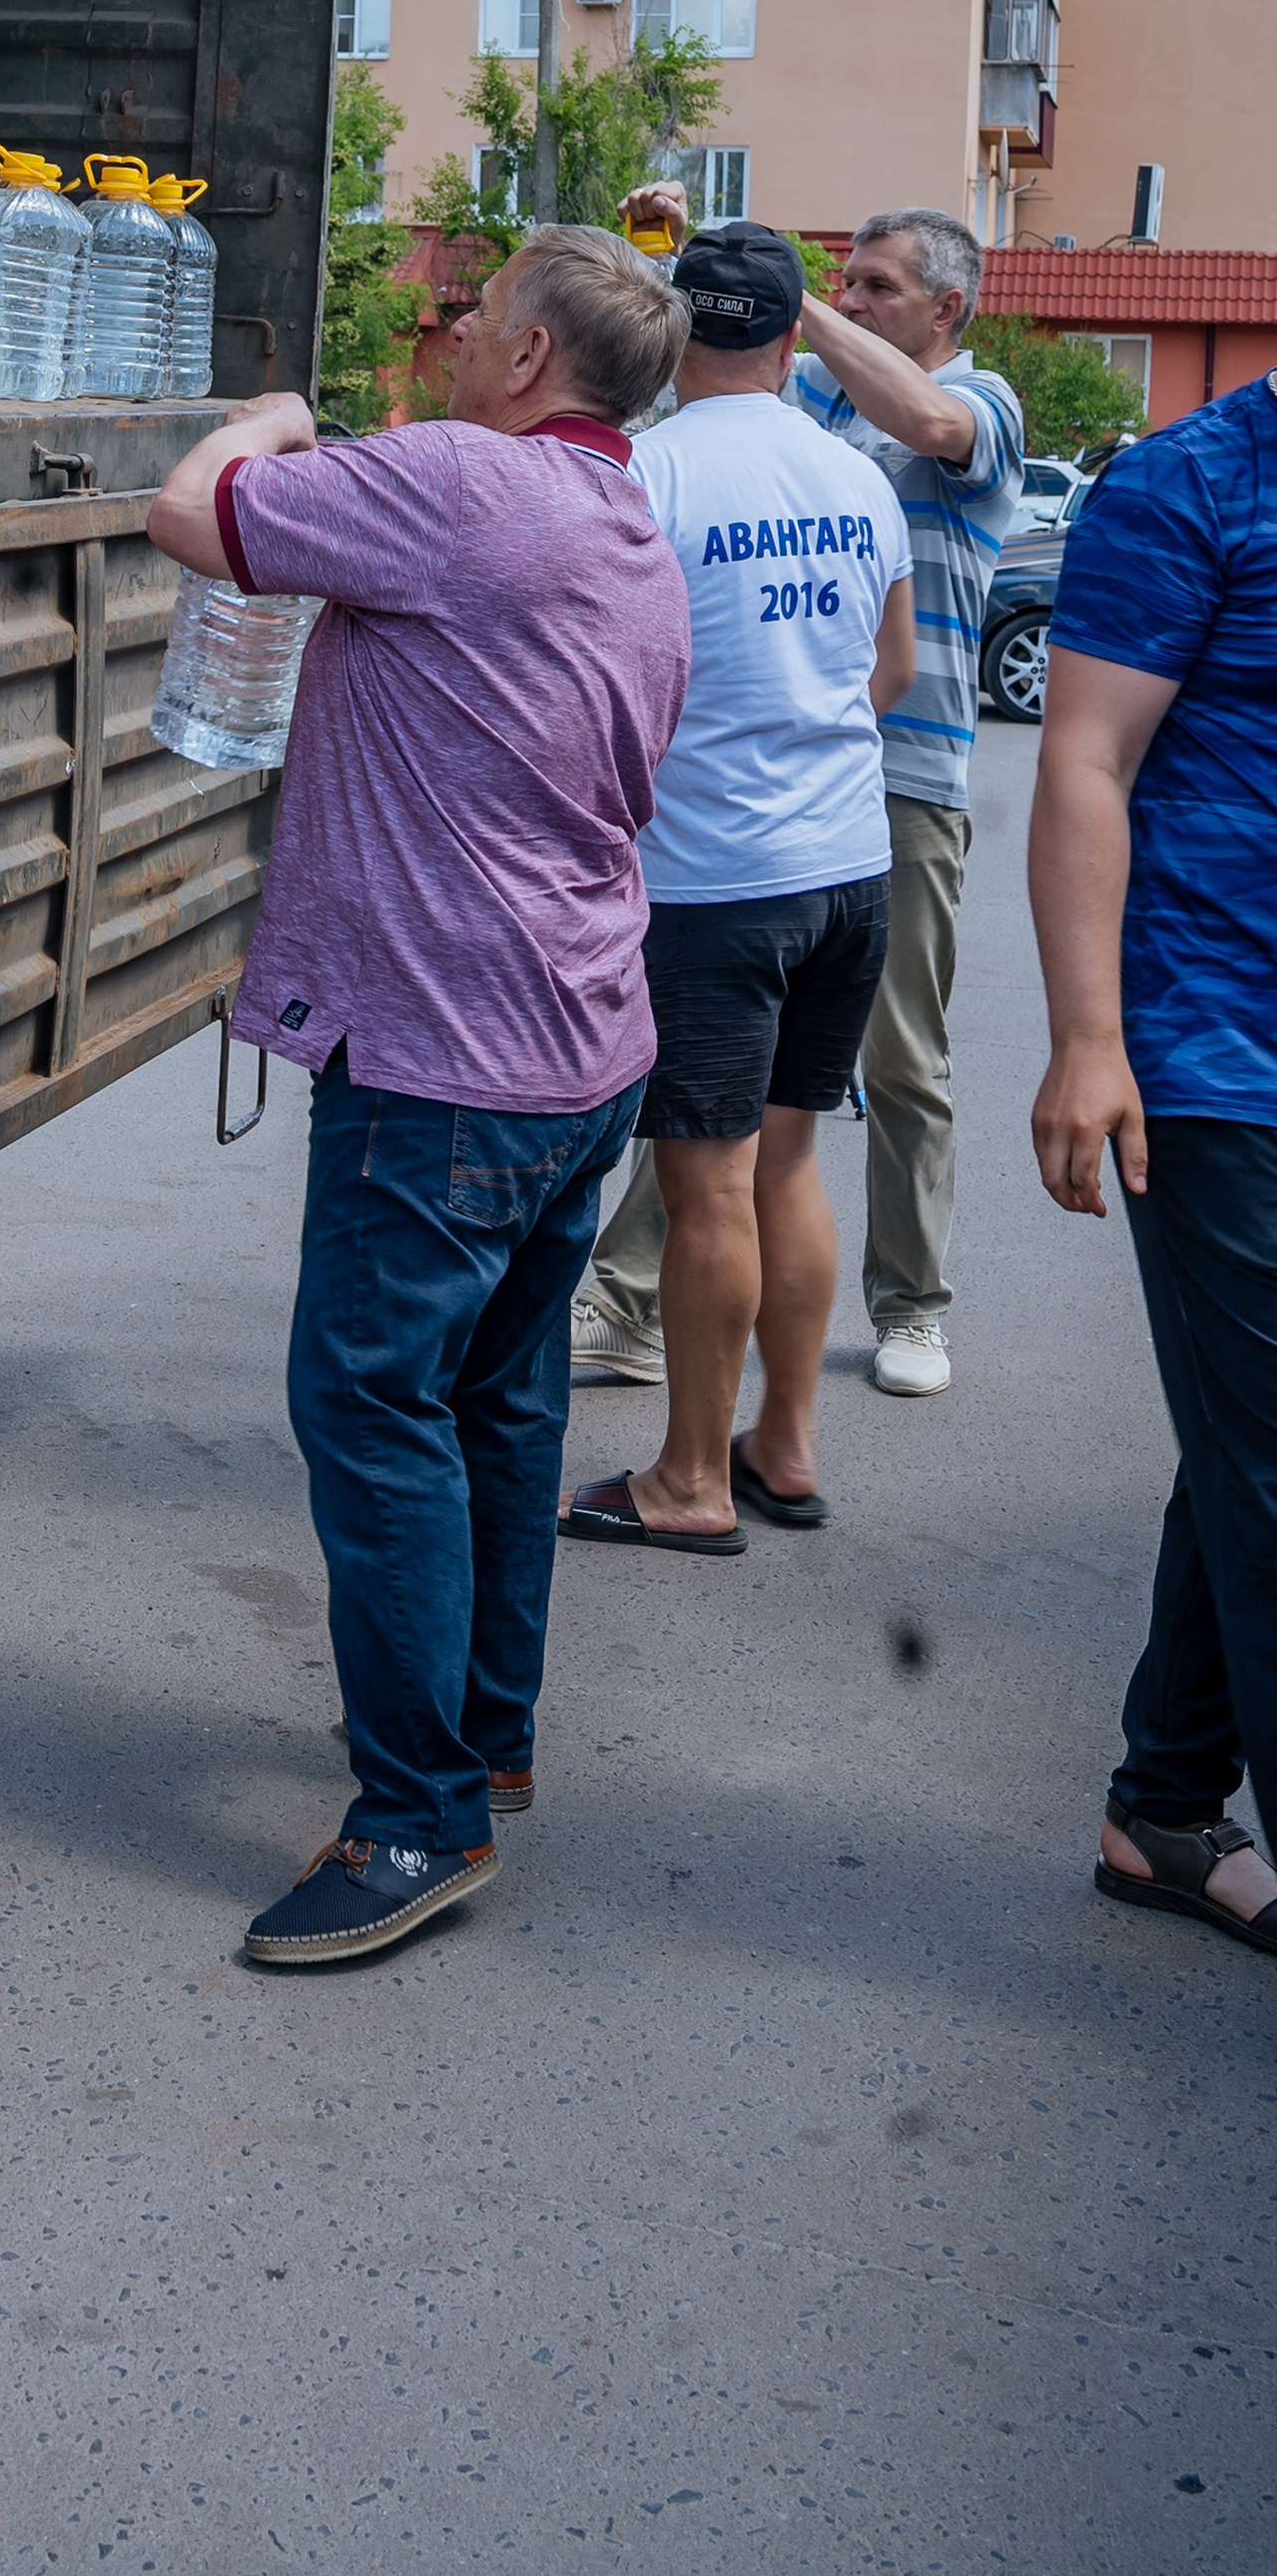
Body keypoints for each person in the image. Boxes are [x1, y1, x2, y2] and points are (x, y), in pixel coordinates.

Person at [147, 228, 692, 1968]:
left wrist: (271, 416)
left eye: (476, 317)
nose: (452, 338)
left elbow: (191, 517)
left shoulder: (465, 483)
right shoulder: (626, 523)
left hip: (446, 1062)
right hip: (580, 1046)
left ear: (530, 356)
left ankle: (416, 1820)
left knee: (373, 1405)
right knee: (499, 1403)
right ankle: (486, 1732)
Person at [578, 203, 1021, 1400]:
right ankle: (631, 1304)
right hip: (784, 785)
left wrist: (784, 297)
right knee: (719, 1086)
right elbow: (730, 392)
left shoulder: (979, 404)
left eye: (878, 287)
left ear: (948, 309)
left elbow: (923, 423)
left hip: (901, 783)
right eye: (843, 282)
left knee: (899, 1060)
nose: (855, 301)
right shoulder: (815, 405)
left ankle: (912, 1305)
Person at [559, 224, 915, 1556]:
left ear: (671, 331)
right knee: (790, 1162)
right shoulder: (854, 473)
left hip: (714, 881)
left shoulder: (643, 474)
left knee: (706, 1183)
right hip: (849, 868)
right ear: (791, 335)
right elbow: (892, 673)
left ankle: (691, 1483)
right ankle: (784, 1444)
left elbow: (596, 689)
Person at [1028, 371, 1277, 1954]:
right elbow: (1084, 761)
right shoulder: (1192, 484)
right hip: (1218, 1049)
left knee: (1246, 1442)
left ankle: (1167, 1808)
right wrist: (1087, 1038)